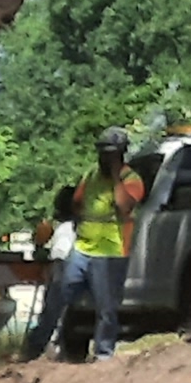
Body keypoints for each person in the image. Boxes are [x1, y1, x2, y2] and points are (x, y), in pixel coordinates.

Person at [74, 132, 146, 362]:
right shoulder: (91, 175)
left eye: (110, 154)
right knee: (65, 293)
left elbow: (124, 206)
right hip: (85, 247)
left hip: (113, 251)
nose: (104, 159)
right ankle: (60, 347)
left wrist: (116, 178)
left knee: (107, 307)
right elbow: (76, 202)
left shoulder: (131, 179)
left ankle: (104, 353)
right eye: (102, 153)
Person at [25, 185, 81, 361]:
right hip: (70, 277)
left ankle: (32, 353)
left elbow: (59, 255)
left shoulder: (65, 230)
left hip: (62, 278)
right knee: (60, 319)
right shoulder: (74, 228)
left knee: (51, 318)